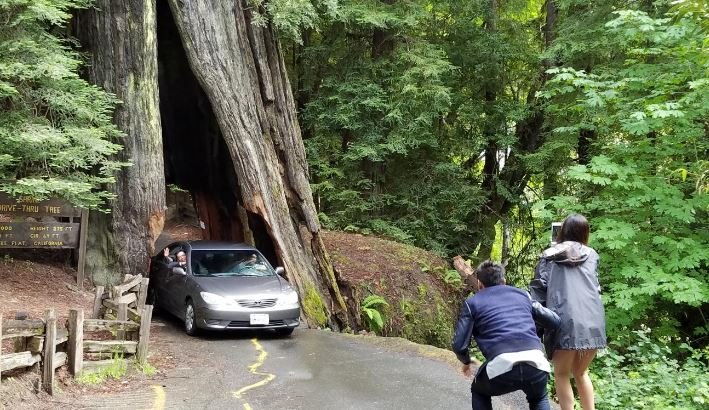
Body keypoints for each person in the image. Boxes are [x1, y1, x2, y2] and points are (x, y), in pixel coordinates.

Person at [452, 260, 560, 410]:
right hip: (536, 363)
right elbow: (554, 321)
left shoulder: (473, 303)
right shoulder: (523, 295)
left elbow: (459, 345)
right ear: (504, 281)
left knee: (479, 391)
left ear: (479, 284)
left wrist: (466, 361)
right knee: (538, 397)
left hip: (502, 367)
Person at [530, 214, 606, 410]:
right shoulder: (592, 255)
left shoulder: (548, 256)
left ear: (562, 231)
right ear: (584, 233)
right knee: (581, 373)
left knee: (562, 374)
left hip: (562, 321)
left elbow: (538, 294)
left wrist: (536, 330)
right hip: (592, 321)